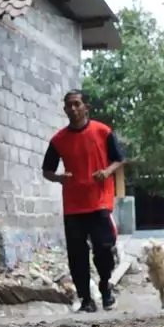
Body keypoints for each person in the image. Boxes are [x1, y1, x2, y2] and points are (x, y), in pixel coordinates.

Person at [42, 90, 127, 313]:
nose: (73, 108)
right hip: (73, 206)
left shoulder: (102, 131)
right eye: (68, 105)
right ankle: (86, 299)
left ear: (86, 107)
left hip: (99, 201)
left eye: (77, 104)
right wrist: (59, 178)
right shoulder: (59, 140)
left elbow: (119, 159)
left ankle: (106, 288)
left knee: (104, 248)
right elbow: (47, 170)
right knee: (77, 255)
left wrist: (106, 172)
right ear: (64, 109)